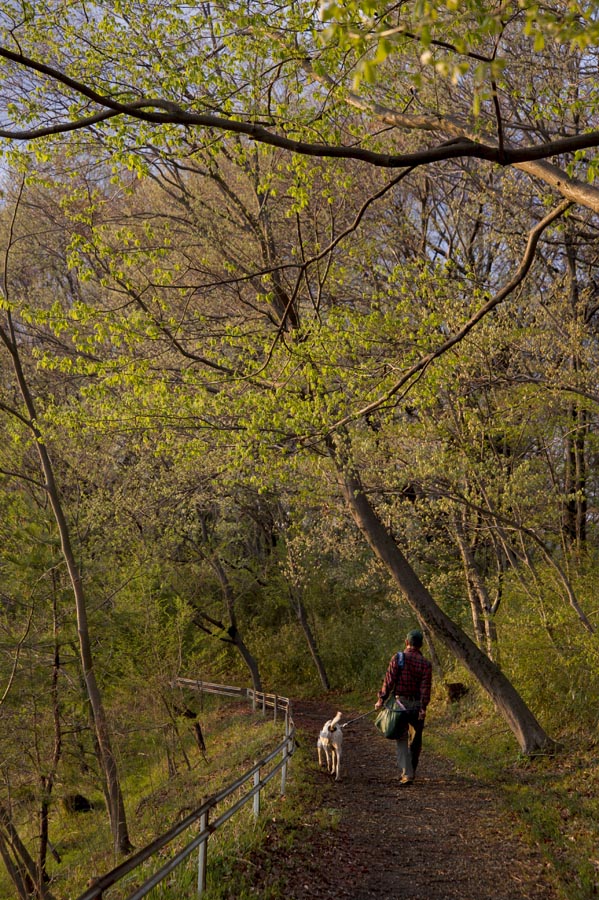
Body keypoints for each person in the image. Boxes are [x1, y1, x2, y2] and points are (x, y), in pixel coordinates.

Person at [375, 628, 432, 785]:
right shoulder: (426, 664)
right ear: (421, 645)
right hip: (416, 706)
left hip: (400, 704)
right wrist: (423, 708)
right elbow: (425, 688)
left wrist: (381, 700)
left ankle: (407, 774)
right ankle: (411, 771)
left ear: (407, 642)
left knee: (401, 738)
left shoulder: (398, 658)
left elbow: (389, 682)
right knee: (416, 740)